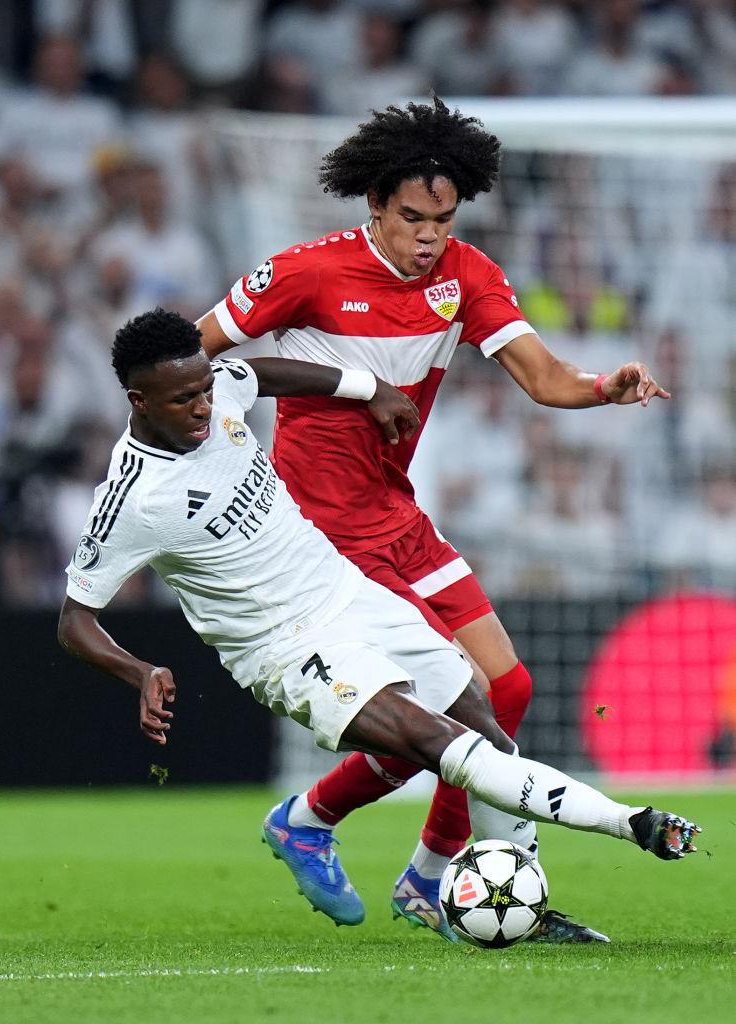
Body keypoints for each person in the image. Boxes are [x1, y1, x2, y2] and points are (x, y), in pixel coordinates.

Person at [57, 309, 700, 944]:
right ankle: (633, 823)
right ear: (139, 401)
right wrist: (139, 671)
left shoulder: (216, 388)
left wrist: (369, 388)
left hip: (351, 593)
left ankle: (481, 897)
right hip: (286, 647)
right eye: (184, 399)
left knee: (487, 730)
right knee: (446, 746)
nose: (205, 406)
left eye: (204, 388)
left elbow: (262, 372)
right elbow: (74, 621)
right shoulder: (134, 498)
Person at [195, 97, 673, 944]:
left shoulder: (466, 276)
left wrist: (605, 387)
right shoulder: (306, 273)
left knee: (508, 689)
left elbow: (543, 377)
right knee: (453, 706)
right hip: (318, 533)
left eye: (442, 221)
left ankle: (415, 869)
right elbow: (188, 356)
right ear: (375, 205)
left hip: (395, 511)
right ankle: (323, 824)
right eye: (412, 218)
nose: (428, 237)